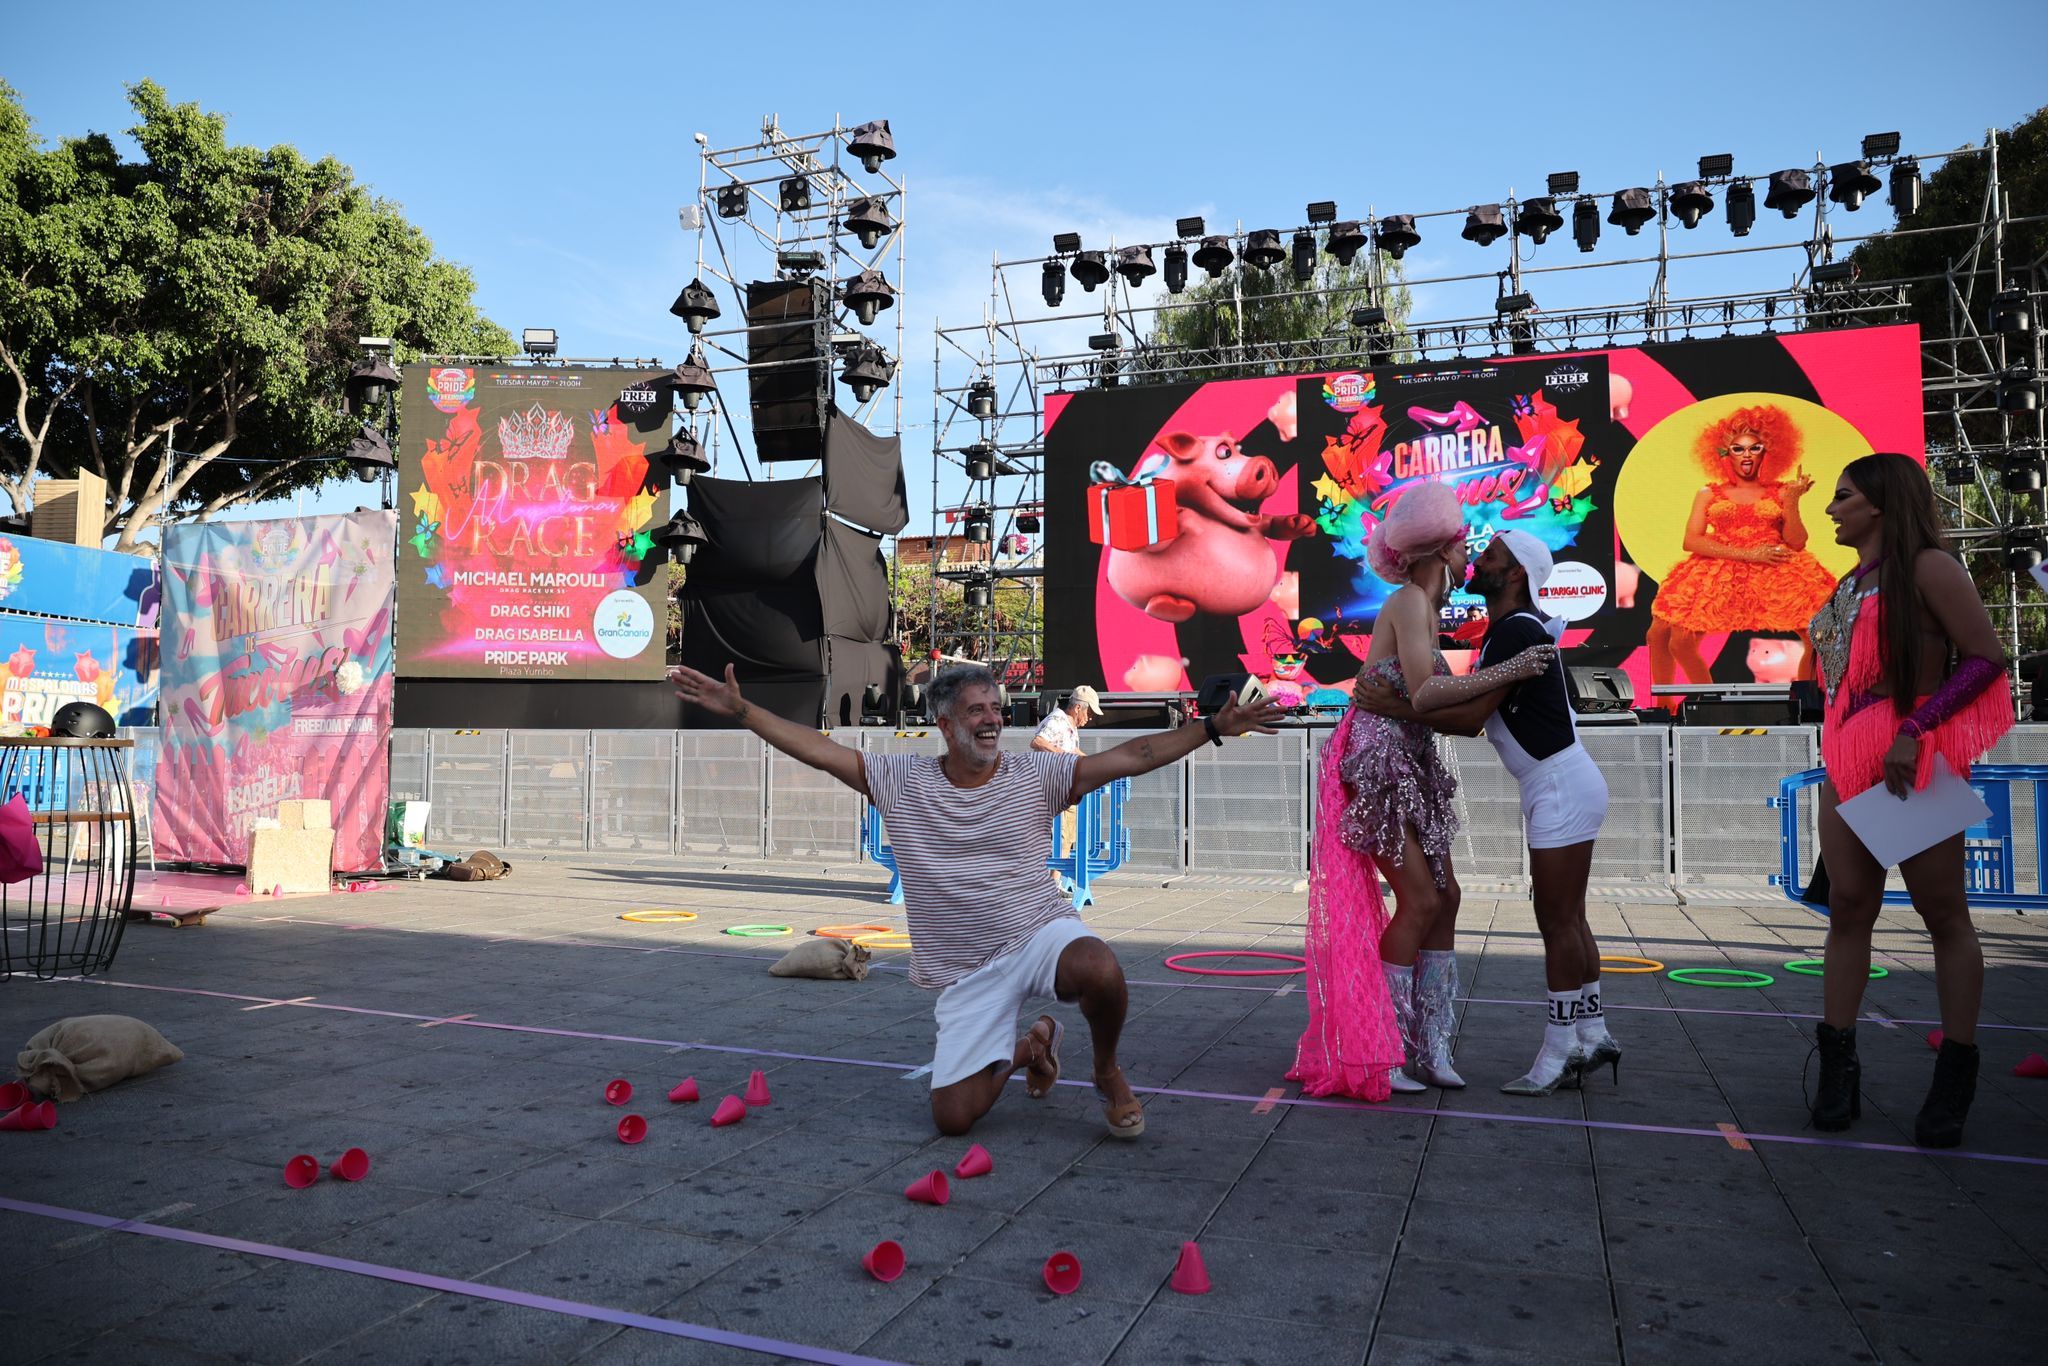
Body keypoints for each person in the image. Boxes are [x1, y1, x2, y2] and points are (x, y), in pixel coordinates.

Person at [669, 660, 1285, 1139]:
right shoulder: (900, 780)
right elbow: (818, 750)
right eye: (976, 710)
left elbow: (1135, 755)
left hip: (1037, 931)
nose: (991, 719)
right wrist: (742, 709)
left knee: (1099, 966)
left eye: (996, 708)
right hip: (967, 970)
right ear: (945, 724)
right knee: (953, 1118)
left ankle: (1107, 1072)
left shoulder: (1036, 774)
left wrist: (1211, 728)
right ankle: (1033, 1045)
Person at [1291, 482, 1554, 1099]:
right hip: (1380, 762)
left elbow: (1431, 705)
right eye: (1464, 546)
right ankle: (1382, 1049)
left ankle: (1430, 1047)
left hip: (1411, 760)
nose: (1469, 557)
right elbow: (1428, 692)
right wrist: (1511, 670)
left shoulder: (1425, 610)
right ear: (1441, 549)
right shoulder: (1409, 600)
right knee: (1419, 900)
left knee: (1446, 896)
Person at [1360, 530, 1622, 1096]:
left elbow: (1467, 719)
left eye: (1492, 555)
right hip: (1561, 782)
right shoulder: (1510, 631)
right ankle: (1593, 1033)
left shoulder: (1515, 631)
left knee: (1557, 922)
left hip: (1558, 785)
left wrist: (1393, 706)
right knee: (1569, 918)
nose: (1478, 560)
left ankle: (1558, 1053)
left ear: (1517, 572)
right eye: (1473, 552)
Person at [1806, 453, 2013, 1147]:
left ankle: (1954, 1079)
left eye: (1842, 497)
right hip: (1846, 762)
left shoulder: (1928, 567)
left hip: (1910, 762)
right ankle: (1838, 1070)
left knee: (1942, 914)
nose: (1831, 509)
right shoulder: (1849, 583)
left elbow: (1986, 658)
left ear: (1880, 504)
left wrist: (1917, 729)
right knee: (1848, 909)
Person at [1648, 405, 1836, 697]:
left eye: (1754, 448)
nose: (1746, 455)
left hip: (1775, 568)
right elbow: (1691, 540)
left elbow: (1797, 542)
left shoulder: (1781, 491)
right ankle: (1696, 702)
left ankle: (1807, 703)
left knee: (1816, 633)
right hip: (1719, 570)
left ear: (1767, 452)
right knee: (1668, 636)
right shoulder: (1708, 493)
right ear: (1725, 453)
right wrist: (1749, 554)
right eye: (1738, 449)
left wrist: (1793, 499)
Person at [1032, 685, 1101, 860]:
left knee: (1067, 839)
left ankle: (1057, 877)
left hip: (1067, 790)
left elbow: (1073, 750)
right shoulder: (1057, 720)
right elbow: (1038, 742)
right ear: (1078, 708)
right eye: (1089, 713)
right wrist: (1063, 757)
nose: (1090, 718)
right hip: (1053, 790)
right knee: (1059, 839)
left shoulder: (1071, 726)